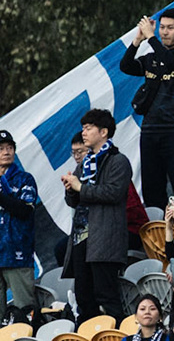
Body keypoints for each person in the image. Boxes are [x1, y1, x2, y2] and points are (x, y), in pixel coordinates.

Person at [119, 7, 174, 206]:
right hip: (150, 130)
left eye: (170, 28)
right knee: (152, 189)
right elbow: (126, 66)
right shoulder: (150, 59)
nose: (164, 32)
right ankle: (158, 233)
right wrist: (138, 40)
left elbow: (173, 64)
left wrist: (151, 38)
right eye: (161, 27)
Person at [63, 107, 132, 321]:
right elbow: (74, 200)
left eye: (88, 128)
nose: (84, 133)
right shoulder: (86, 162)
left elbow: (113, 193)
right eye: (83, 128)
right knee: (84, 298)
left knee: (107, 296)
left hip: (105, 239)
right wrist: (70, 189)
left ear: (103, 132)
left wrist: (80, 188)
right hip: (81, 238)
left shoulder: (118, 160)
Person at [0, 130, 37, 326]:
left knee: (25, 313)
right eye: (1, 149)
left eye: (10, 148)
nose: (6, 152)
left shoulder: (25, 179)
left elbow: (24, 210)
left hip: (17, 253)